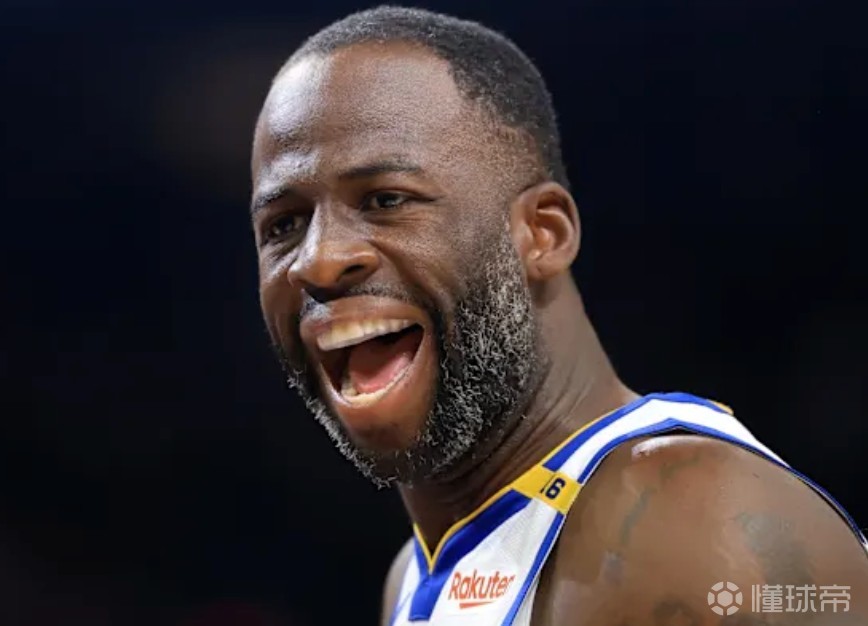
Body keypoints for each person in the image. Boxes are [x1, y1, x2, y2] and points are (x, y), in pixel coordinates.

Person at [248, 6, 868, 625]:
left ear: (542, 234)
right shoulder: (416, 573)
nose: (318, 261)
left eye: (386, 200)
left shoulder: (691, 525)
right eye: (284, 225)